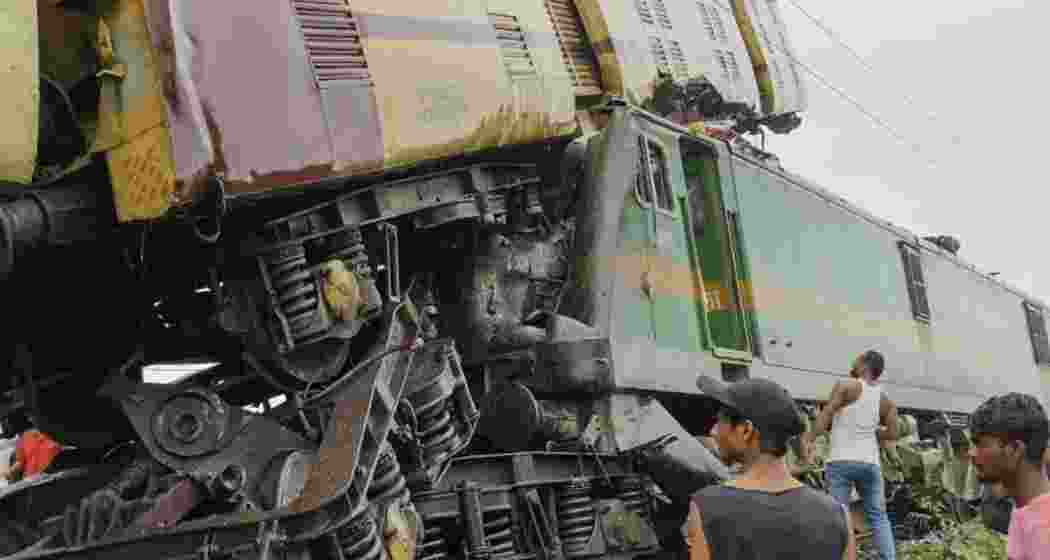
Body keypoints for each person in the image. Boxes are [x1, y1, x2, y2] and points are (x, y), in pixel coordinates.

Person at [687, 375, 856, 560]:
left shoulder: (707, 508)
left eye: (719, 421)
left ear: (746, 430)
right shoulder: (838, 515)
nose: (713, 431)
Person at [804, 350, 897, 560]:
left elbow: (826, 415)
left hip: (840, 463)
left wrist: (808, 438)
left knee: (840, 517)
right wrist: (874, 432)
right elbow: (893, 433)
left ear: (864, 365)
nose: (853, 362)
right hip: (870, 464)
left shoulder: (846, 386)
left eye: (857, 359)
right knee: (879, 517)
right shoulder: (885, 401)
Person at [968, 393, 1050, 560]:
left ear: (1014, 449)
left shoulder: (1044, 531)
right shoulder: (1023, 510)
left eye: (980, 444)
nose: (972, 453)